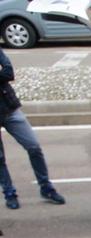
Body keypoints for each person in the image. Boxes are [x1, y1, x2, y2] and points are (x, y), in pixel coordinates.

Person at [1, 47, 65, 210]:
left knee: (34, 147)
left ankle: (46, 187)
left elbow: (9, 73)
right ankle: (9, 193)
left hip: (10, 108)